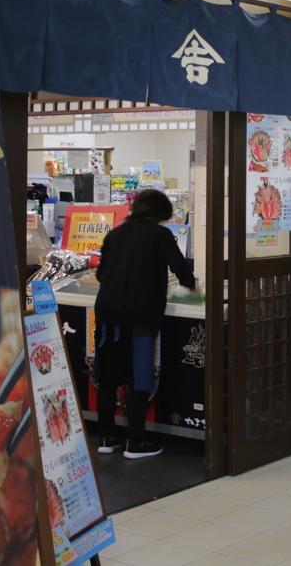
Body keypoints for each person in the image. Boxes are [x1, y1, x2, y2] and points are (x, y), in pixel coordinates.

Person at [93, 189, 196, 459]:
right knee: (140, 376)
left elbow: (101, 274)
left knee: (108, 377)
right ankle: (135, 441)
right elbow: (181, 269)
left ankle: (106, 437)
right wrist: (193, 288)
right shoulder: (160, 235)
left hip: (107, 314)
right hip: (141, 315)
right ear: (161, 211)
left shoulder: (115, 234)